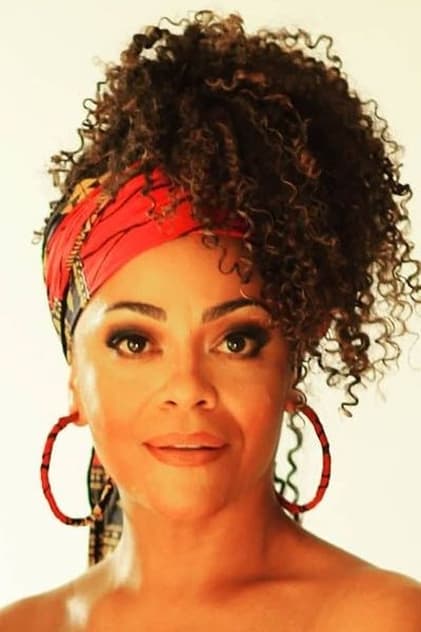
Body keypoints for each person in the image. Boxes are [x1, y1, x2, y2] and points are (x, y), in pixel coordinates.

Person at [1, 10, 420, 631]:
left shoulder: (383, 619)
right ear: (75, 380)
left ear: (292, 362)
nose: (188, 388)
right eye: (135, 341)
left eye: (236, 340)